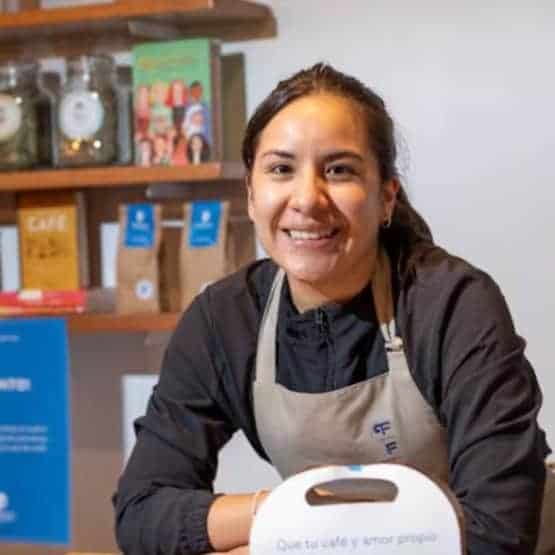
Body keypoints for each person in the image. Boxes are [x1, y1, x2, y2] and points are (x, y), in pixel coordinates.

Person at [113, 63, 552, 555]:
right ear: (252, 196)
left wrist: (280, 539)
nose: (307, 199)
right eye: (281, 169)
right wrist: (280, 513)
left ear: (386, 197)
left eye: (339, 170)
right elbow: (141, 512)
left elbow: (498, 530)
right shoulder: (224, 321)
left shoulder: (450, 304)